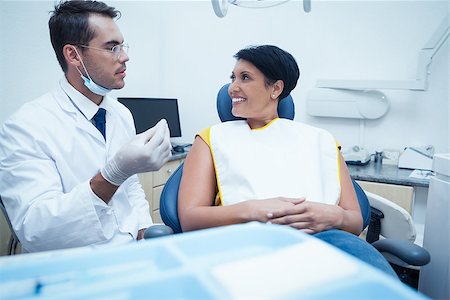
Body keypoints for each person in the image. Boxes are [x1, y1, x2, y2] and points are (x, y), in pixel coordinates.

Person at [178, 45, 396, 275]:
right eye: (233, 77)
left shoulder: (321, 141)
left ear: (276, 89)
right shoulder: (211, 139)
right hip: (248, 244)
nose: (232, 88)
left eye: (245, 78)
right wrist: (253, 210)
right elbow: (190, 219)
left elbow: (354, 221)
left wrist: (336, 216)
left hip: (328, 243)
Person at [0, 0, 172, 253]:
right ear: (73, 55)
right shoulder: (25, 127)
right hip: (71, 267)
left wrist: (143, 228)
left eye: (122, 46)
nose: (124, 56)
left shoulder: (121, 114)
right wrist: (111, 175)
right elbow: (34, 229)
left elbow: (131, 187)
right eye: (112, 48)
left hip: (129, 252)